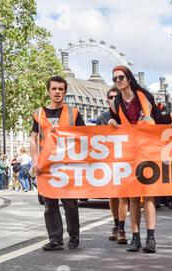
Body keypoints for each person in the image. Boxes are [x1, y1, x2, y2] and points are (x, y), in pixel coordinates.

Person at [108, 65, 172, 253]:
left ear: (129, 78)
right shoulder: (115, 104)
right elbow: (113, 126)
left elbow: (157, 118)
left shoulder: (144, 97)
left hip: (147, 151)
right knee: (132, 196)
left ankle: (151, 238)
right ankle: (135, 238)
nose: (117, 81)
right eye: (114, 79)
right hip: (129, 153)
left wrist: (171, 117)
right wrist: (111, 123)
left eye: (120, 77)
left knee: (148, 195)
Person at [30, 76, 84, 251]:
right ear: (48, 91)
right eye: (54, 89)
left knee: (70, 204)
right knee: (50, 204)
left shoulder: (74, 113)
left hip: (68, 165)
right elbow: (34, 140)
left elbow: (85, 137)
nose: (57, 92)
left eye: (61, 89)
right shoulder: (39, 114)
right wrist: (35, 162)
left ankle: (74, 237)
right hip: (47, 167)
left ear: (65, 92)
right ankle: (55, 239)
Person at [96, 86, 127, 242]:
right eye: (111, 97)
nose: (113, 99)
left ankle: (121, 229)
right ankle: (116, 225)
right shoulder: (102, 117)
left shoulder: (127, 115)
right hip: (109, 162)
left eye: (117, 97)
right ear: (107, 100)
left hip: (125, 161)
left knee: (123, 196)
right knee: (112, 196)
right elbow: (94, 139)